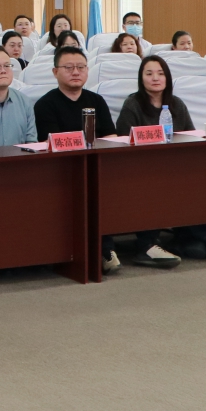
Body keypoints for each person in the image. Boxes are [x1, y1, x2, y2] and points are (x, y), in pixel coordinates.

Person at [34, 46, 174, 271]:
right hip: (64, 171)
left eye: (81, 67)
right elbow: (50, 144)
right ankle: (105, 249)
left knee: (140, 181)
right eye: (68, 67)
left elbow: (110, 137)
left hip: (99, 166)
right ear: (55, 72)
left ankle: (143, 245)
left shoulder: (96, 100)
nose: (76, 72)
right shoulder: (45, 104)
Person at [116, 55, 206, 260]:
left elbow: (190, 136)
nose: (155, 78)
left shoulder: (176, 104)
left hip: (175, 165)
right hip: (143, 167)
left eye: (160, 73)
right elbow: (124, 140)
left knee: (198, 180)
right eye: (149, 74)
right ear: (141, 78)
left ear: (167, 78)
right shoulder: (133, 104)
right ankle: (152, 243)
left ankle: (200, 239)